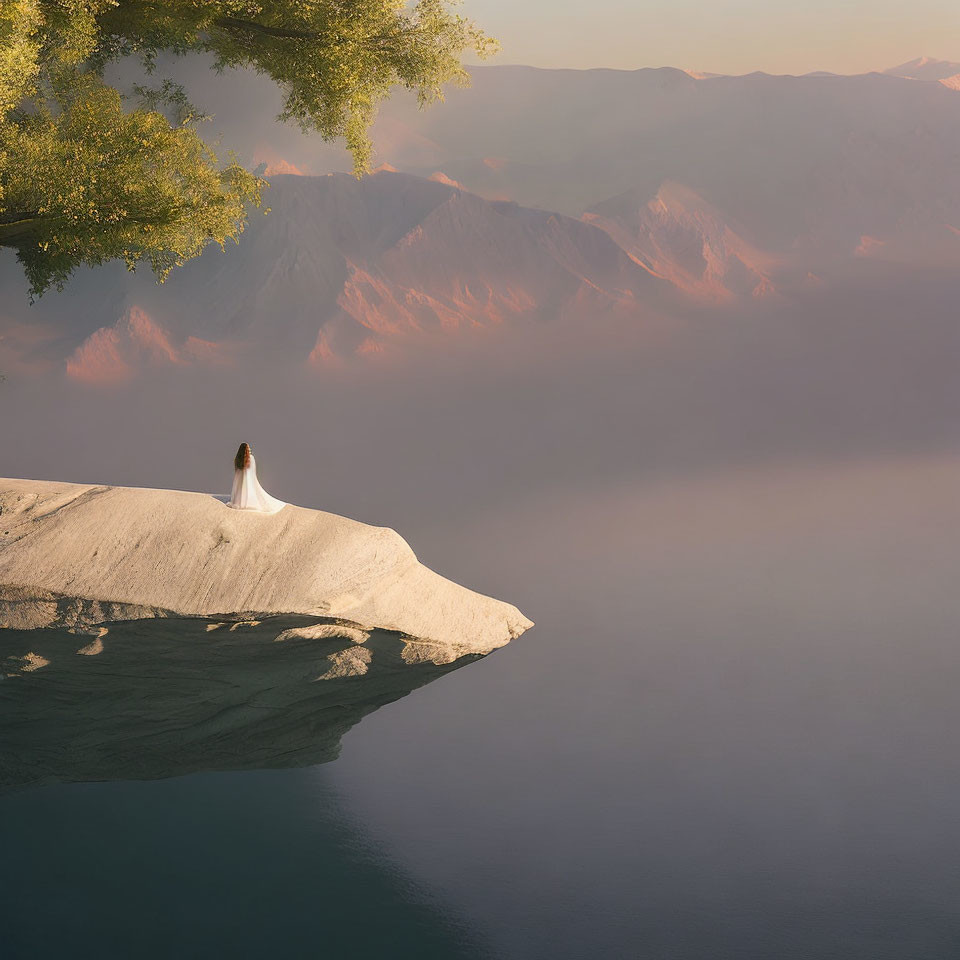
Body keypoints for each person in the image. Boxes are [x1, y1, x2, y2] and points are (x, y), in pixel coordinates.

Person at [227, 442, 286, 514]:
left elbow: (238, 476)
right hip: (250, 483)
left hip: (238, 493)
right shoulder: (251, 458)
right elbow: (252, 473)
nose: (250, 450)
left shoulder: (237, 460)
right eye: (248, 448)